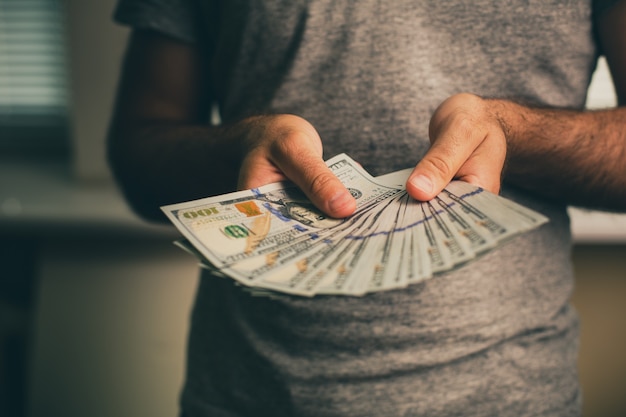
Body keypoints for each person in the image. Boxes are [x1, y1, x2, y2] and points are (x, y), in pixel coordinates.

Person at [108, 1, 626, 416]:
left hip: (511, 395)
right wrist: (236, 149)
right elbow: (138, 153)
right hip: (247, 391)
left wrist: (515, 136)